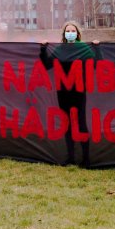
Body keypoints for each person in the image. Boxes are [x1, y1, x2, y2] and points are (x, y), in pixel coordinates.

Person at [40, 21, 101, 168]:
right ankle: (71, 157)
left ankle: (86, 159)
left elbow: (96, 64)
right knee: (67, 124)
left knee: (81, 124)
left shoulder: (83, 48)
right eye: (68, 31)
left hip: (79, 91)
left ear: (77, 33)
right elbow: (47, 65)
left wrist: (97, 48)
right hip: (63, 92)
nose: (70, 33)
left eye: (73, 30)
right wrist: (43, 49)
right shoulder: (60, 49)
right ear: (64, 34)